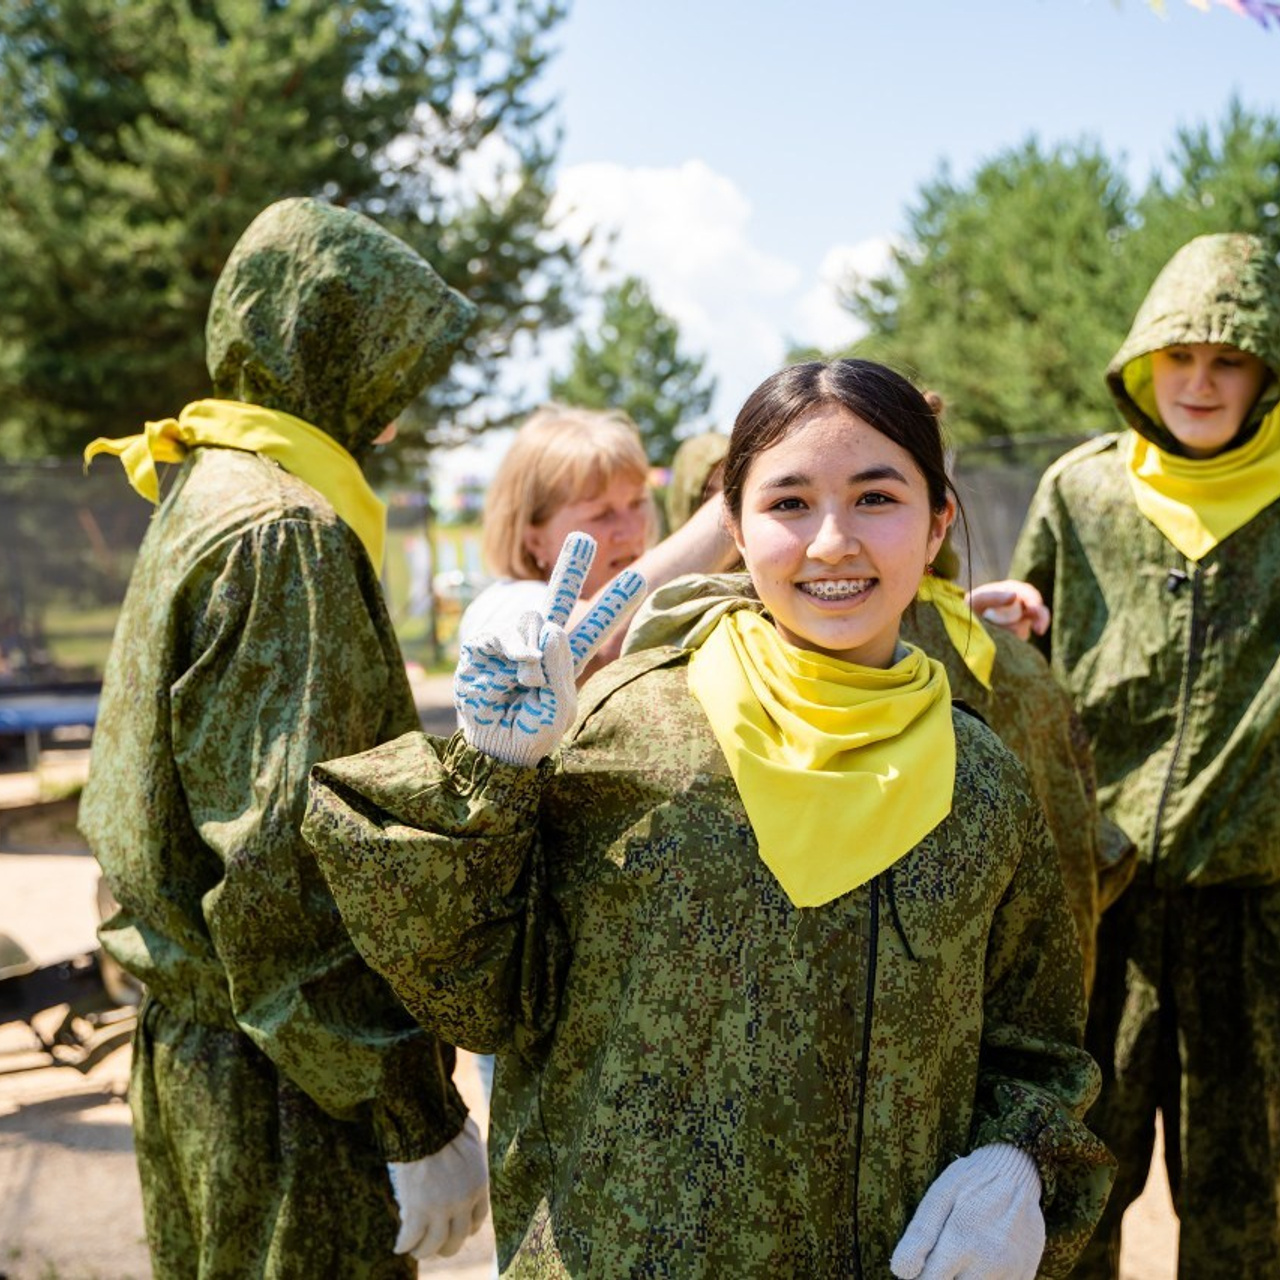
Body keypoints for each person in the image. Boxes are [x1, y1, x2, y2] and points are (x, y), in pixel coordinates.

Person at [302, 357, 1113, 1277]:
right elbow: (473, 983)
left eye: (877, 498)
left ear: (938, 525)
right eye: (789, 503)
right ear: (732, 525)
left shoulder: (983, 783)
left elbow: (1035, 1046)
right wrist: (492, 772)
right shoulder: (630, 728)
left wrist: (1021, 1160)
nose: (833, 542)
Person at [79, 197, 490, 1277]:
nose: (400, 407)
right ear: (326, 344)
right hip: (287, 1081)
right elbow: (281, 864)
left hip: (213, 1051)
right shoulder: (285, 531)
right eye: (388, 364)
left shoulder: (202, 492)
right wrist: (405, 1103)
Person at [994, 231, 1280, 1277]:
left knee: (1249, 1192)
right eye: (1177, 356)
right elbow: (1017, 655)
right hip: (1100, 902)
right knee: (1073, 1177)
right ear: (1140, 363)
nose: (1197, 382)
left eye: (1227, 359)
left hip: (1256, 912)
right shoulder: (1082, 492)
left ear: (1263, 370)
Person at [459, 403, 738, 680]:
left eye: (637, 502)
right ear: (534, 538)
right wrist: (738, 497)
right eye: (601, 515)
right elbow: (593, 646)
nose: (630, 531)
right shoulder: (502, 606)